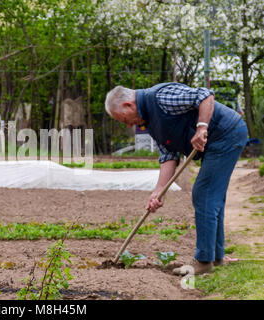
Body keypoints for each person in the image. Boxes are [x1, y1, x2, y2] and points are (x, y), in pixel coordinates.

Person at [104, 82, 248, 275]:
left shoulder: (161, 97)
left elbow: (205, 95)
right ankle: (215, 257)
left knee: (204, 193)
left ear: (129, 105)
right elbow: (168, 155)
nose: (129, 125)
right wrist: (159, 191)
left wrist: (201, 127)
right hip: (217, 140)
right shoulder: (150, 121)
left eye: (124, 120)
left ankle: (204, 261)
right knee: (212, 197)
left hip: (226, 133)